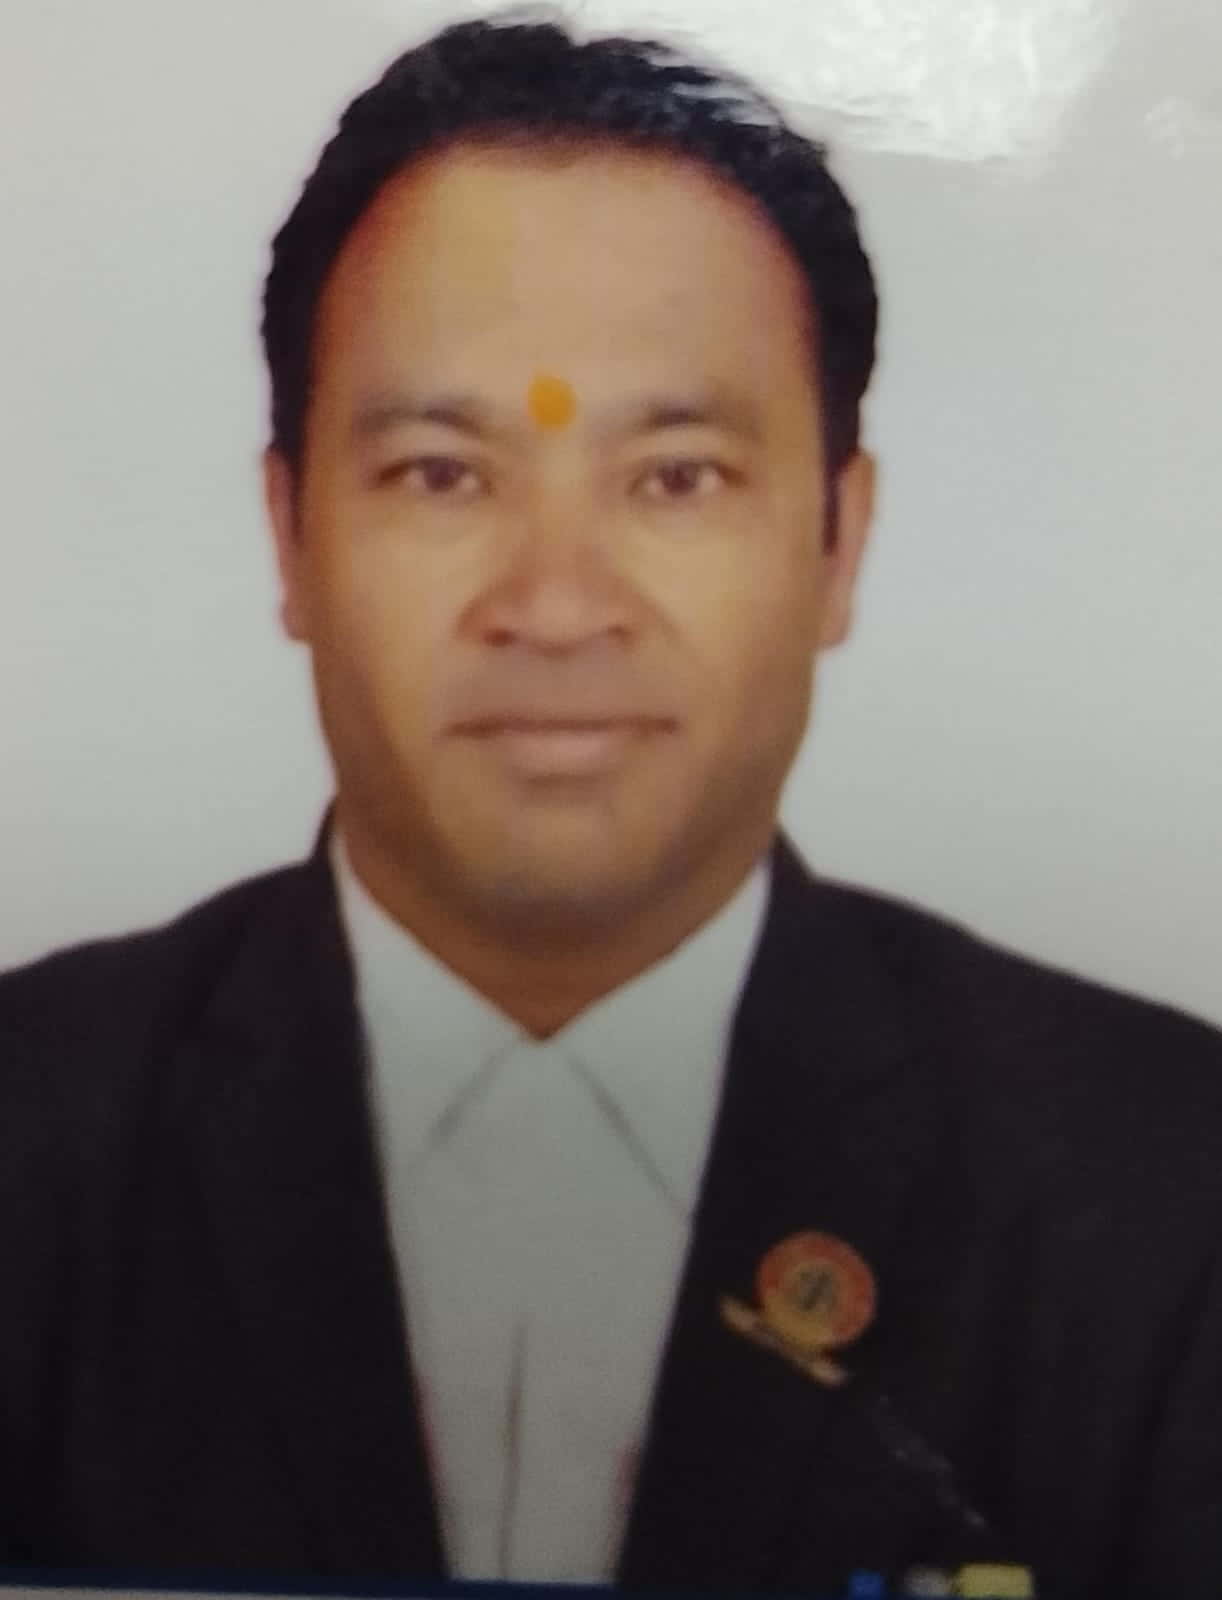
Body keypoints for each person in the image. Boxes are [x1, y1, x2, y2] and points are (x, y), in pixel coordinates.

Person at [1, 13, 1220, 1599]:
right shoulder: (30, 1142)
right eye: (441, 474)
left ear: (836, 544)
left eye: (677, 477)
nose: (558, 606)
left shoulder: (1168, 1192)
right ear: (290, 537)